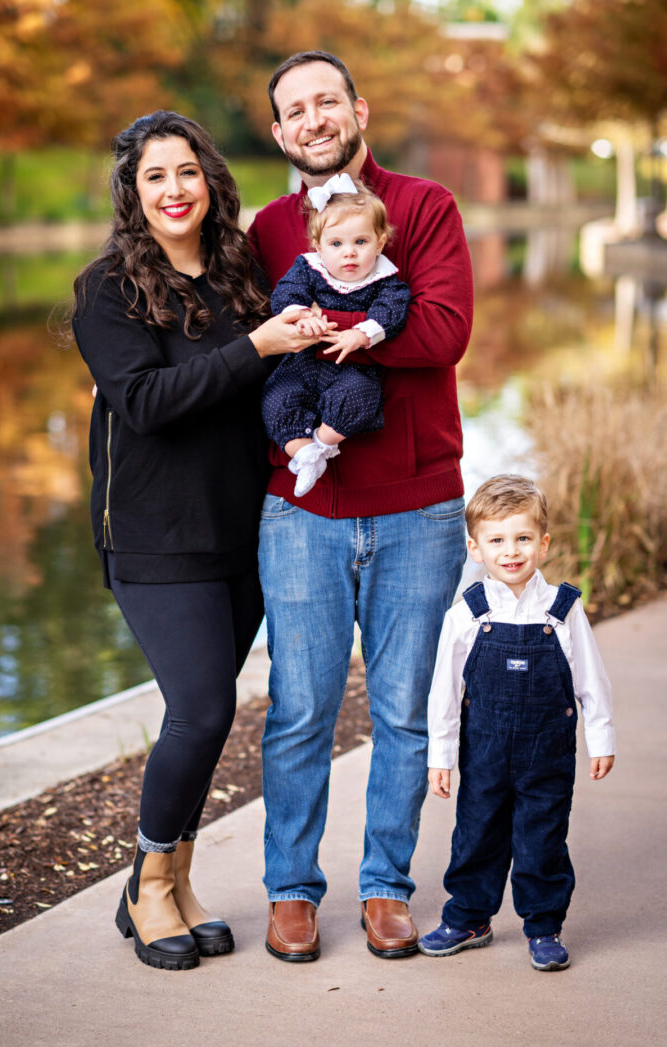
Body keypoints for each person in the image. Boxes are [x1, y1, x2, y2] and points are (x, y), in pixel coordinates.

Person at [72, 109, 325, 971]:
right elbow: (145, 403)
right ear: (132, 193)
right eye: (155, 177)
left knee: (209, 718)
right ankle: (148, 885)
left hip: (239, 527)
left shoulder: (241, 272)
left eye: (187, 171)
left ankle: (169, 879)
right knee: (203, 709)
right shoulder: (107, 290)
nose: (174, 190)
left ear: (210, 180)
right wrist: (254, 346)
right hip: (152, 534)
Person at [247, 51, 474, 962]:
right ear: (278, 132)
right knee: (299, 710)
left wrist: (327, 333)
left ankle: (386, 888)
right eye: (294, 109)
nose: (313, 118)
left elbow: (443, 330)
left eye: (326, 101)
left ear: (357, 109)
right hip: (299, 509)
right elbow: (245, 343)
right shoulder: (263, 230)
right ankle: (292, 892)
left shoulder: (421, 208)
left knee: (403, 711)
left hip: (417, 504)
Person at [419, 475, 615, 971]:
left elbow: (591, 680)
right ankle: (468, 916)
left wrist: (601, 738)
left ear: (543, 544)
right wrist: (439, 757)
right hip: (483, 751)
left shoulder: (562, 610)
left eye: (523, 538)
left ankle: (544, 926)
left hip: (547, 753)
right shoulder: (467, 613)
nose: (511, 551)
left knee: (542, 839)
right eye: (497, 540)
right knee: (476, 834)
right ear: (475, 547)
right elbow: (445, 692)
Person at [262, 175, 411, 496]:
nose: (349, 254)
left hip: (351, 368)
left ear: (380, 241)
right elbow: (287, 293)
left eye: (361, 242)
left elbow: (392, 309)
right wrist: (300, 315)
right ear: (318, 245)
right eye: (336, 244)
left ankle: (320, 446)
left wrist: (362, 334)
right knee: (277, 399)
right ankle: (301, 453)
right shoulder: (308, 268)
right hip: (300, 365)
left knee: (360, 396)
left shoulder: (386, 280)